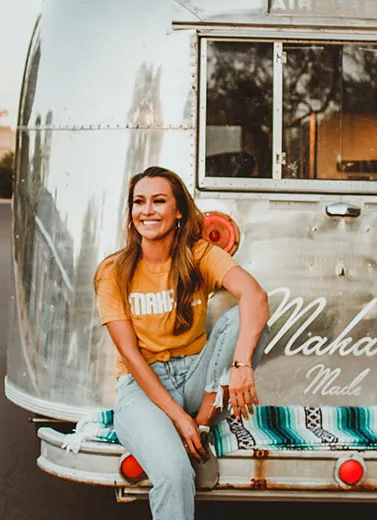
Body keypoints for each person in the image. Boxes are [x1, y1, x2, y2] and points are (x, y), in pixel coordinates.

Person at [94, 166, 271, 520]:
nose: (147, 211)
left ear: (178, 212)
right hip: (142, 388)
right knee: (174, 476)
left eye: (159, 201)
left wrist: (241, 365)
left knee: (245, 318)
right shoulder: (114, 271)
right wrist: (179, 419)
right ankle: (193, 438)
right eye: (139, 202)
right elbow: (130, 354)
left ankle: (203, 425)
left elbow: (255, 294)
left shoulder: (198, 254)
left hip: (196, 379)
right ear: (131, 212)